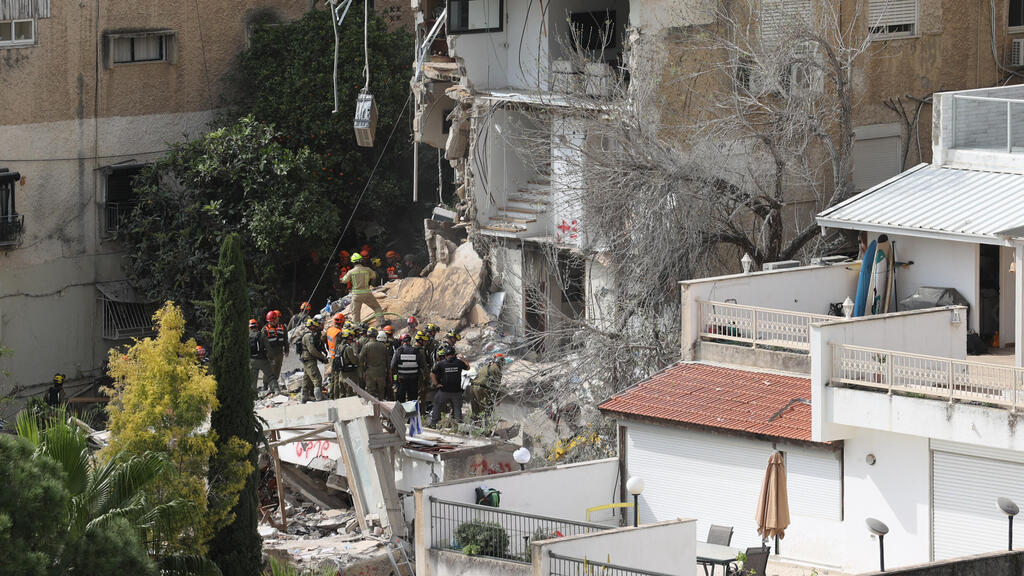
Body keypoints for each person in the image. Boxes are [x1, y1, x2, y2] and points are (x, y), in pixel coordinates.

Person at [429, 345, 470, 427]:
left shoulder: (441, 363)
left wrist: (437, 384)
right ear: (454, 354)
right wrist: (463, 358)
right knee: (457, 409)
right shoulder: (459, 362)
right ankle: (458, 427)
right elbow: (468, 367)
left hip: (444, 391)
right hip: (456, 391)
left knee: (437, 406)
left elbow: (432, 374)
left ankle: (434, 424)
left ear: (445, 355)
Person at [341, 253, 383, 324]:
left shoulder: (351, 272)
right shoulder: (367, 269)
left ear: (353, 262)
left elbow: (344, 280)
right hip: (367, 294)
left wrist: (342, 277)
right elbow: (374, 276)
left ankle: (356, 329)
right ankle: (381, 323)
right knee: (377, 308)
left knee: (355, 314)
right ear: (361, 261)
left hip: (356, 295)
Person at [390, 334, 425, 403]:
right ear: (410, 341)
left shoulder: (398, 351)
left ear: (402, 342)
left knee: (401, 398)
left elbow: (392, 365)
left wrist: (394, 378)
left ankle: (401, 413)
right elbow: (422, 365)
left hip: (402, 379)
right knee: (412, 399)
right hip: (414, 379)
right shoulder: (416, 351)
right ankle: (412, 413)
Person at [300, 318, 328, 403]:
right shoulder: (309, 336)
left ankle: (305, 396)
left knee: (307, 378)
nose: (317, 327)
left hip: (307, 358)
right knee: (317, 378)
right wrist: (322, 357)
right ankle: (319, 397)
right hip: (309, 359)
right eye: (315, 326)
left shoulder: (310, 335)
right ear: (312, 327)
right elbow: (312, 350)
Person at [470, 353, 504, 419]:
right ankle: (486, 428)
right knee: (486, 409)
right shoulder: (496, 368)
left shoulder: (486, 366)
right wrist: (498, 398)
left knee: (476, 410)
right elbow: (497, 385)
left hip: (472, 387)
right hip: (481, 388)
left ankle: (475, 426)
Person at [360, 330, 391, 400]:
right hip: (381, 374)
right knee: (381, 393)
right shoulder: (383, 346)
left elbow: (360, 359)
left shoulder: (366, 346)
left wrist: (363, 371)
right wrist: (389, 374)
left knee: (371, 394)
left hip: (370, 374)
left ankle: (372, 409)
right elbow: (388, 362)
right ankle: (381, 409)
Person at [331, 328, 360, 398]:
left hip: (341, 375)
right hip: (349, 376)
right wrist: (357, 356)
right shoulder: (348, 348)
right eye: (351, 337)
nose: (352, 338)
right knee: (350, 395)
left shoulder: (339, 347)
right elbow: (354, 361)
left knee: (342, 395)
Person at [264, 311, 288, 391]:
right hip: (270, 353)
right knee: (270, 370)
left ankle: (274, 385)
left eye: (272, 320)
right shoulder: (265, 329)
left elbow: (285, 339)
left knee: (278, 369)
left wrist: (286, 350)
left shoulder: (282, 327)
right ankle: (266, 386)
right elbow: (262, 342)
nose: (271, 322)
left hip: (280, 352)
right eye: (269, 321)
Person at [249, 318, 273, 395]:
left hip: (252, 360)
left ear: (249, 327)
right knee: (270, 375)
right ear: (257, 326)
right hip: (262, 359)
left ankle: (253, 395)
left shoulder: (246, 336)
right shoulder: (261, 335)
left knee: (253, 379)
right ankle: (276, 390)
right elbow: (268, 347)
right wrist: (271, 358)